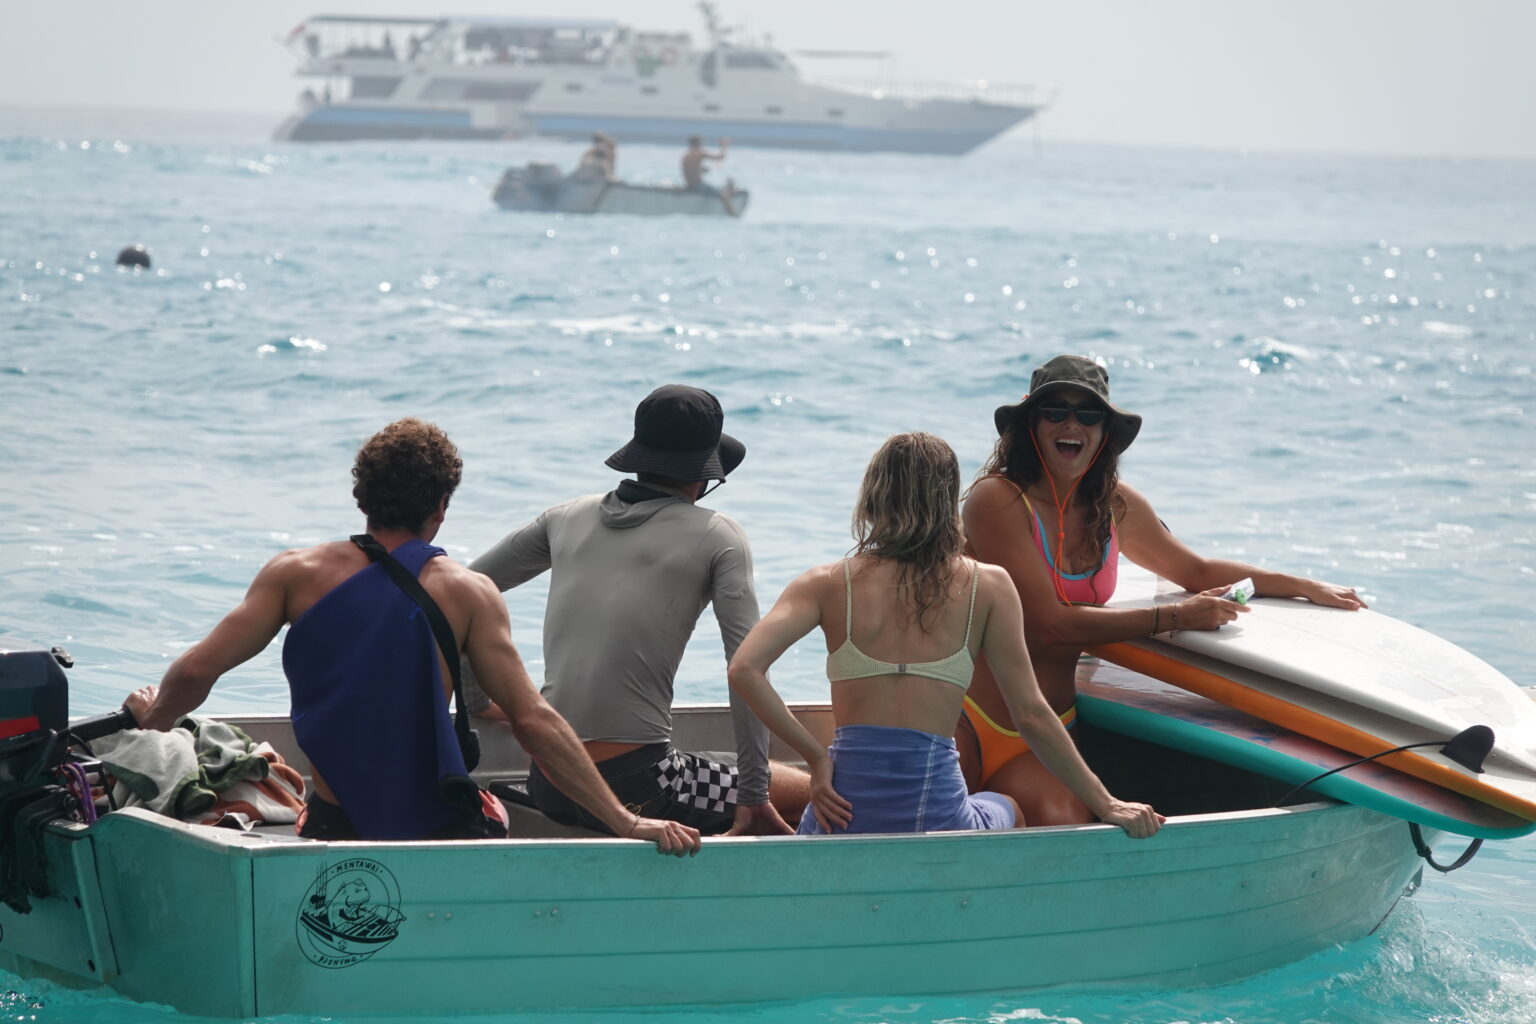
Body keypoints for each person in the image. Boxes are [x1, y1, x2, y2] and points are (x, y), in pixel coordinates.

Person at [125, 418, 700, 854]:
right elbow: (534, 722)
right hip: (434, 829)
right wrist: (628, 821)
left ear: (362, 497)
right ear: (441, 507)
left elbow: (196, 671)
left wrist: (152, 724)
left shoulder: (291, 575)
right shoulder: (469, 593)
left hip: (335, 823)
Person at [960, 355, 1367, 825]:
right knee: (920, 820)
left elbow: (1194, 569)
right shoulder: (997, 499)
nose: (1072, 424)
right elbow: (1048, 624)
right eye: (1055, 411)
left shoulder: (1114, 504)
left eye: (1088, 414)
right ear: (1031, 425)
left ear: (1104, 432)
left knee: (1064, 817)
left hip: (1047, 731)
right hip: (968, 716)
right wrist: (1175, 617)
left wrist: (1303, 585)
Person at [727, 432, 1163, 838]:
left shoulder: (823, 583)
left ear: (873, 497)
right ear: (948, 502)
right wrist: (1107, 804)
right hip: (936, 817)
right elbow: (1031, 714)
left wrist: (816, 757)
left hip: (840, 816)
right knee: (1007, 807)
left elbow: (745, 669)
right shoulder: (987, 586)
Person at [462, 385, 809, 836]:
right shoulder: (719, 534)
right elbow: (747, 669)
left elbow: (460, 593)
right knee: (819, 792)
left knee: (721, 768)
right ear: (703, 473)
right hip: (641, 783)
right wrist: (755, 796)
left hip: (549, 777)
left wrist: (478, 700)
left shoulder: (564, 517)